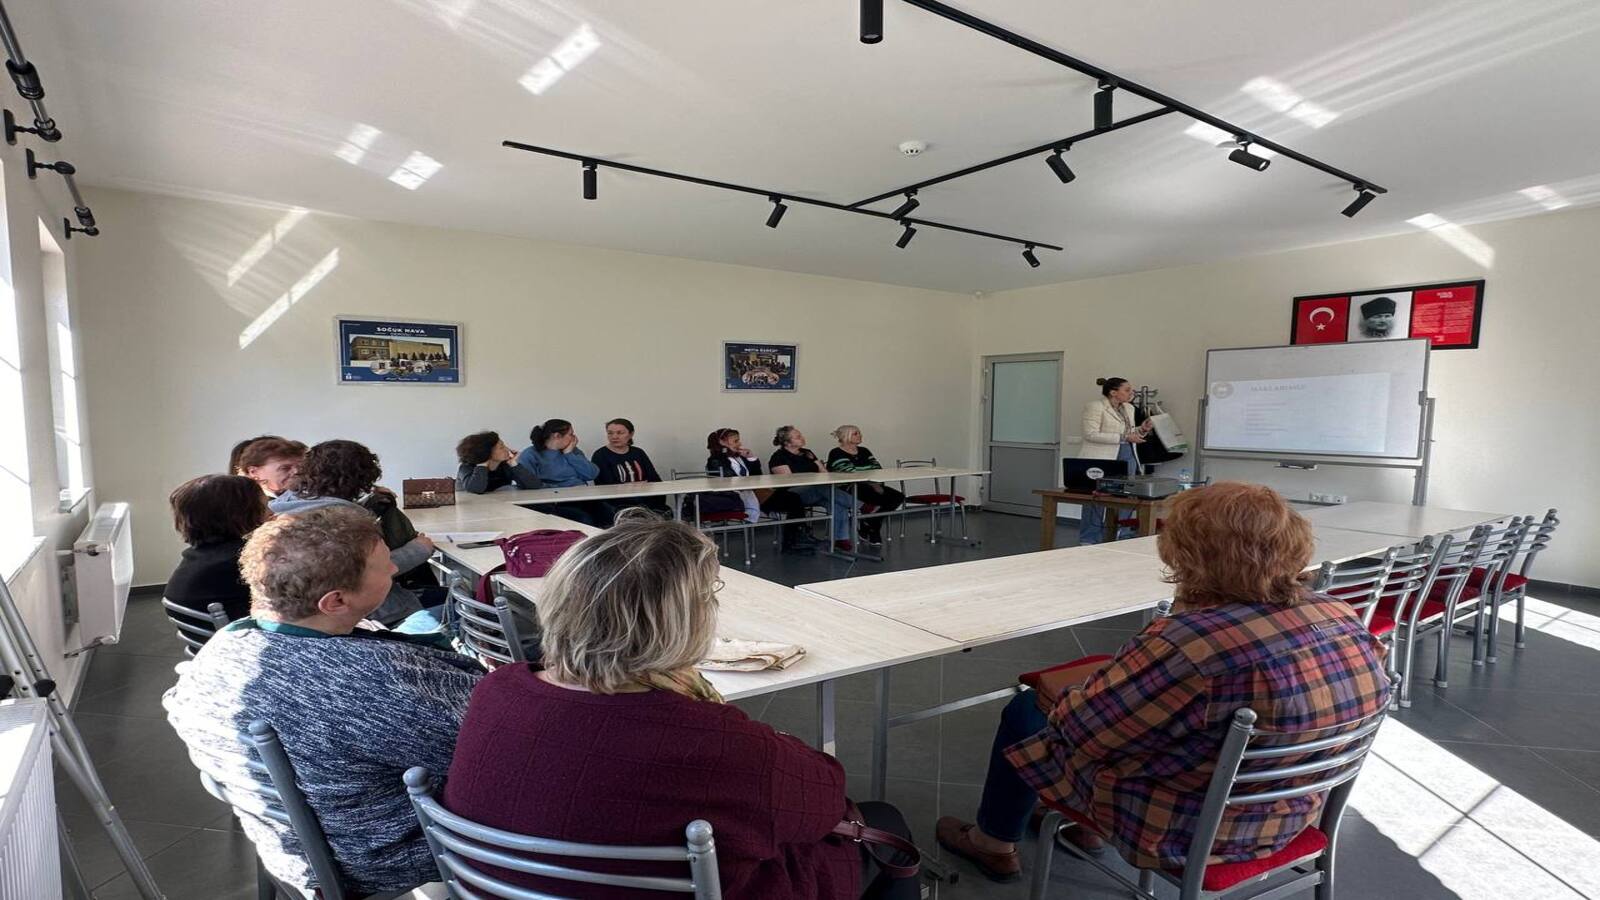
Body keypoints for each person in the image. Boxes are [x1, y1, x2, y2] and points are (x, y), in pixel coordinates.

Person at [442, 512, 919, 899]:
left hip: (502, 888)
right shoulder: (708, 739)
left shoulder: (496, 690)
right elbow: (825, 800)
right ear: (687, 623)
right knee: (885, 821)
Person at [934, 482, 1392, 883]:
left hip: (1188, 826)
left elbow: (1082, 731)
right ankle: (1077, 827)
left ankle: (994, 843)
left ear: (1187, 555)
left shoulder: (1191, 643)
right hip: (1291, 812)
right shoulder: (1338, 614)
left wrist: (1071, 693)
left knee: (1028, 710)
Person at [164, 508, 483, 896]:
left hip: (289, 842)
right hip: (380, 854)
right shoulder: (373, 681)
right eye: (385, 567)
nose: (393, 570)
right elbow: (492, 748)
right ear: (335, 601)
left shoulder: (223, 647)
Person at [269, 440, 432, 628]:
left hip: (314, 613)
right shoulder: (340, 520)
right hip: (373, 615)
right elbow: (367, 571)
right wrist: (419, 549)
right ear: (361, 479)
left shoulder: (290, 506)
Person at [165, 474, 270, 623]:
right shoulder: (243, 558)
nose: (271, 511)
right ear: (240, 512)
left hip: (207, 633)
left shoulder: (199, 554)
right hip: (241, 633)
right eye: (264, 506)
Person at [707, 428, 816, 552]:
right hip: (739, 496)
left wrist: (751, 458)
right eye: (735, 441)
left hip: (755, 492)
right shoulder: (716, 460)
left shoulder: (739, 458)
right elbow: (728, 480)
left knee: (792, 497)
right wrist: (725, 453)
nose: (739, 444)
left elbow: (757, 476)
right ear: (722, 442)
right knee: (793, 499)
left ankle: (796, 537)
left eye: (739, 440)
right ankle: (793, 540)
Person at [1076, 377, 1151, 545]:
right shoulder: (1095, 406)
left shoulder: (1128, 408)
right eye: (1127, 390)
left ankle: (1121, 534)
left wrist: (1142, 429)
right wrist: (1124, 437)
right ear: (1113, 392)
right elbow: (1090, 434)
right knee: (1096, 498)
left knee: (1126, 496)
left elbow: (1130, 432)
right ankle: (1089, 539)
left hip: (1127, 455)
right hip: (1102, 458)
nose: (1131, 393)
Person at [769, 425, 855, 551]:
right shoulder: (779, 457)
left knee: (836, 503)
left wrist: (818, 480)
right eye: (798, 437)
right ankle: (860, 505)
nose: (802, 438)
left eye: (801, 435)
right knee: (819, 487)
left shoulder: (807, 453)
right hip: (793, 495)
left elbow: (823, 472)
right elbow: (789, 481)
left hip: (816, 491)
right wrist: (813, 481)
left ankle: (841, 539)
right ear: (787, 442)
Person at [518, 419, 614, 526]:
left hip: (582, 497)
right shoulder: (530, 454)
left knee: (611, 515)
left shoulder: (573, 450)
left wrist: (569, 454)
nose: (574, 438)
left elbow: (592, 474)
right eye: (571, 434)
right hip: (555, 501)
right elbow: (529, 485)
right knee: (584, 519)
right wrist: (563, 488)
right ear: (557, 436)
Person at [826, 425, 904, 546]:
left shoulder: (864, 451)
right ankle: (872, 529)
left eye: (859, 433)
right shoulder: (836, 452)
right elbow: (851, 472)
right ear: (846, 436)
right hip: (848, 487)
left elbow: (877, 468)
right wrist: (871, 482)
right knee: (877, 498)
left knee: (898, 497)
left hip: (870, 484)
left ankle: (869, 523)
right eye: (855, 433)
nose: (860, 435)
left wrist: (873, 482)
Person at [590, 417, 669, 515]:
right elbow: (607, 486)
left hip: (645, 498)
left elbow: (654, 479)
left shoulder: (638, 452)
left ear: (631, 434)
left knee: (663, 510)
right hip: (618, 502)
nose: (614, 437)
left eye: (620, 433)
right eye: (610, 433)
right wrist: (640, 484)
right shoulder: (600, 455)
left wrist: (633, 486)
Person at [455, 430, 541, 493]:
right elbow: (476, 490)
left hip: (497, 506)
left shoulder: (506, 465)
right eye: (501, 447)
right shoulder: (466, 467)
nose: (507, 449)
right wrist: (482, 465)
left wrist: (514, 464)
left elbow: (534, 485)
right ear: (487, 451)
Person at [236, 437, 307, 498]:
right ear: (253, 472)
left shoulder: (306, 495)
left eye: (300, 467)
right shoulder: (244, 502)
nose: (296, 471)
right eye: (285, 468)